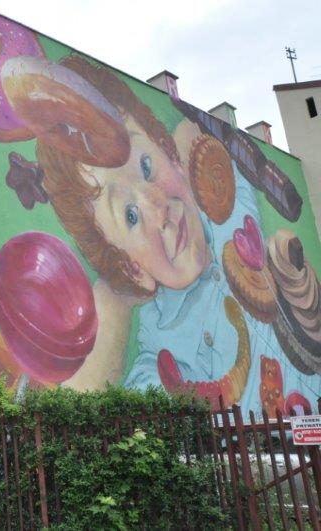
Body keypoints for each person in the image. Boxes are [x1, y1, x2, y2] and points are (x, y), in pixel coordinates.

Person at [18, 54, 321, 413]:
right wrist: (114, 299)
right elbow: (92, 403)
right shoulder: (163, 356)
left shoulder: (230, 200)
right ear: (132, 268)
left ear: (170, 156)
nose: (157, 207)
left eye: (147, 167)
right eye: (130, 216)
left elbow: (192, 134)